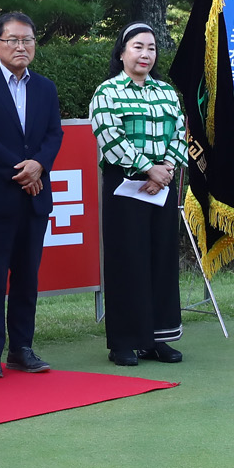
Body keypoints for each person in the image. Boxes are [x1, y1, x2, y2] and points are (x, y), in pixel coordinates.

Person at [0, 12, 64, 377]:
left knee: (27, 277)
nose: (21, 46)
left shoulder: (45, 88)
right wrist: (23, 170)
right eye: (13, 40)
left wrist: (40, 164)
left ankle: (22, 348)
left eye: (28, 40)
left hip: (35, 198)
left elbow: (54, 134)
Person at [90, 22, 188, 367]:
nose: (145, 54)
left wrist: (165, 170)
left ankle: (157, 339)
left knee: (161, 260)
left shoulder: (166, 92)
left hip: (161, 186)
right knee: (127, 261)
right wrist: (148, 168)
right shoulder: (107, 92)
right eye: (138, 47)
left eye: (151, 48)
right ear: (122, 52)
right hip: (125, 185)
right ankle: (124, 342)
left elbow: (180, 133)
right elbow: (110, 137)